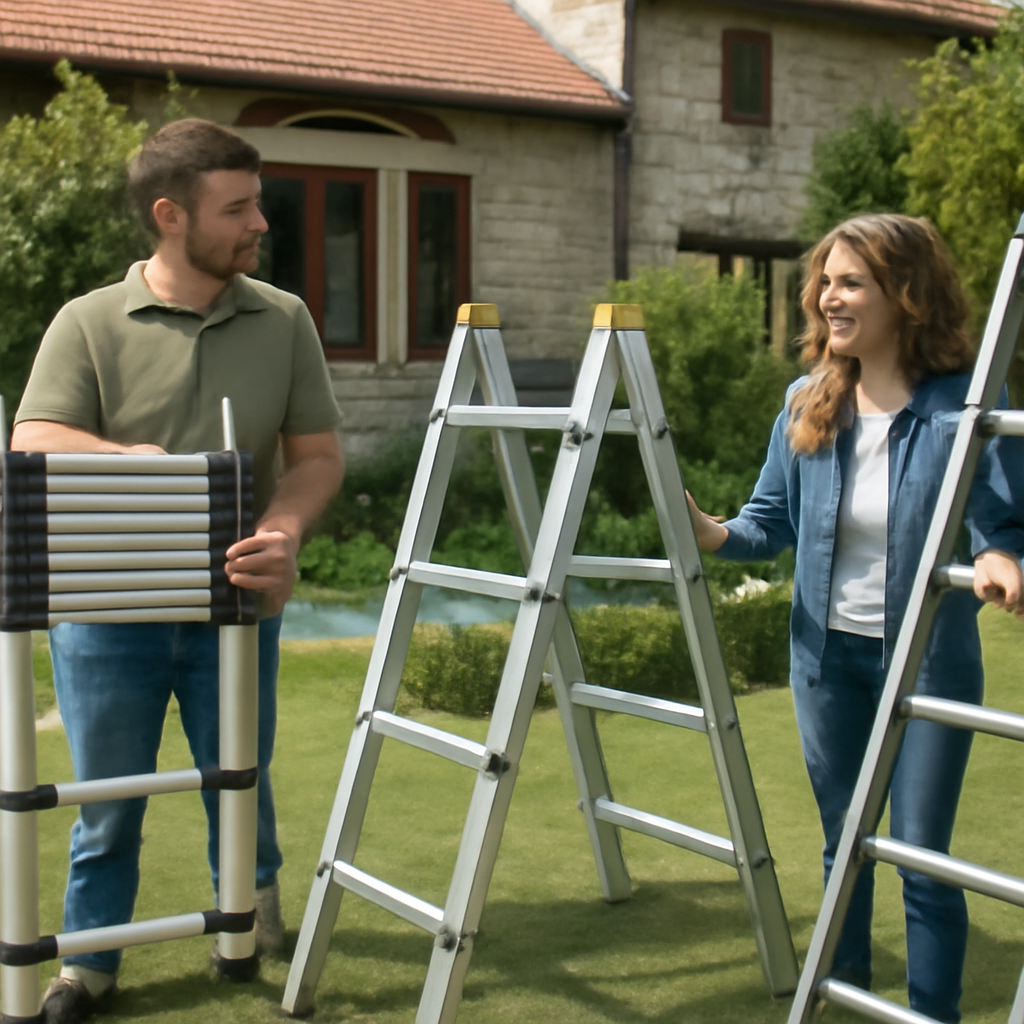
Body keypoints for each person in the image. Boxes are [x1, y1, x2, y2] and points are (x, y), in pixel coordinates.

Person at [11, 118, 344, 1024]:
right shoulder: (87, 321)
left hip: (238, 605)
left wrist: (283, 527)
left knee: (241, 771)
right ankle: (89, 965)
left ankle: (248, 922)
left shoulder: (284, 319)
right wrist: (141, 464)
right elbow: (34, 437)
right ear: (170, 215)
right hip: (105, 609)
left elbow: (316, 455)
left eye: (258, 203)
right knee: (107, 801)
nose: (259, 224)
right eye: (237, 208)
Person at [686, 213, 1024, 1024]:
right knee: (845, 848)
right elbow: (769, 522)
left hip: (929, 663)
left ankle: (931, 1013)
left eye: (849, 282)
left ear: (905, 294)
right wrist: (710, 531)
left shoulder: (965, 403)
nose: (827, 298)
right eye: (825, 282)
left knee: (919, 856)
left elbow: (1003, 522)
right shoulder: (808, 399)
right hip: (826, 661)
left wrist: (1002, 558)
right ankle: (845, 1001)